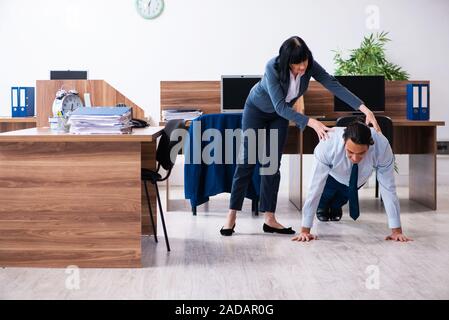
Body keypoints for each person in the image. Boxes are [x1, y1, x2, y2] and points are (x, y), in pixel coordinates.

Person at [220, 36, 381, 236]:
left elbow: (333, 84)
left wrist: (365, 109)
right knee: (247, 162)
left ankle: (269, 219)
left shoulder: (309, 65)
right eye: (297, 66)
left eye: (304, 64)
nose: (302, 69)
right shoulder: (272, 67)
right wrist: (310, 122)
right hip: (257, 111)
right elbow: (279, 105)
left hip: (280, 115)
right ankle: (231, 217)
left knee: (271, 165)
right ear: (286, 60)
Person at [292, 121, 412, 242]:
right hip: (331, 177)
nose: (355, 158)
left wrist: (396, 231)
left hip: (356, 180)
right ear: (344, 142)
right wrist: (305, 230)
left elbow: (388, 188)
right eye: (350, 152)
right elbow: (315, 187)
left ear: (370, 145)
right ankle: (322, 207)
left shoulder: (382, 147)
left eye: (361, 153)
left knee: (339, 201)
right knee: (325, 197)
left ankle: (335, 207)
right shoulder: (328, 144)